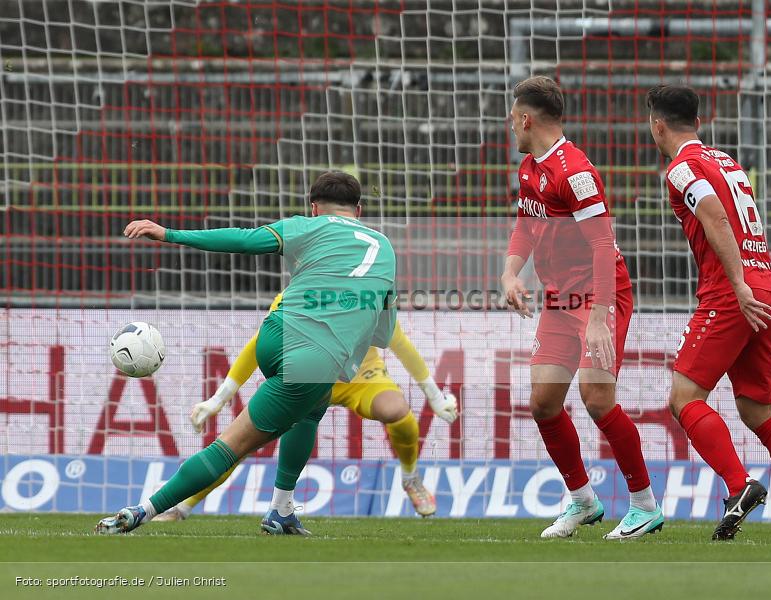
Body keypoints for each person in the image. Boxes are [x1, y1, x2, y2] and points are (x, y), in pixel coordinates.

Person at [96, 171, 398, 535]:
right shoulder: (385, 247)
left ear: (314, 207)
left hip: (273, 333)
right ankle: (140, 512)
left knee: (313, 407)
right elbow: (383, 331)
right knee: (233, 446)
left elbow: (244, 240)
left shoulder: (306, 227)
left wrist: (169, 234)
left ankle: (281, 510)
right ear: (359, 210)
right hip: (312, 358)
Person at [646, 84, 771, 542]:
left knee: (684, 398)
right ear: (698, 121)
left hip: (732, 292)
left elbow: (714, 217)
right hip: (768, 288)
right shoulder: (726, 161)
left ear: (657, 125)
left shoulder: (681, 169)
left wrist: (735, 284)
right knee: (756, 408)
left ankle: (739, 486)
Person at [501, 76, 662, 539]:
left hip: (598, 293)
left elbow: (602, 245)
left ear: (527, 119)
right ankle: (583, 500)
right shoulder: (531, 167)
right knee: (544, 402)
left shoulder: (576, 172)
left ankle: (644, 504)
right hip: (559, 296)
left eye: (514, 120)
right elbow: (526, 227)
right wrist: (511, 274)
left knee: (596, 399)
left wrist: (597, 319)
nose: (512, 128)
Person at [154, 309, 458, 524]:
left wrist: (435, 397)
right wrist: (218, 399)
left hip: (361, 378)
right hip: (308, 376)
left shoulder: (370, 290)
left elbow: (400, 342)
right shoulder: (299, 291)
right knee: (242, 442)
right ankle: (182, 506)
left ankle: (410, 478)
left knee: (397, 411)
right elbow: (257, 343)